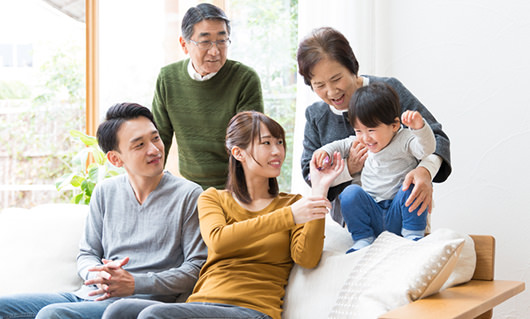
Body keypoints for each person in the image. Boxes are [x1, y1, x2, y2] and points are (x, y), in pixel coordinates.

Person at [101, 111, 344, 319]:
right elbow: (219, 240)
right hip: (199, 306)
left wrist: (319, 189)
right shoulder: (213, 198)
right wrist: (288, 216)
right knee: (118, 311)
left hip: (252, 311)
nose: (277, 151)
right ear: (238, 153)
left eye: (280, 142)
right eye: (266, 143)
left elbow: (307, 258)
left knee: (153, 316)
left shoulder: (294, 204)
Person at [0, 103, 207, 319]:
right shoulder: (105, 192)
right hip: (88, 297)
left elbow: (195, 268)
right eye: (139, 145)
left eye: (155, 138)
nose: (154, 149)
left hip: (138, 304)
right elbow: (87, 253)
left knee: (53, 314)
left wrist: (135, 283)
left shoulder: (188, 194)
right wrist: (97, 274)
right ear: (115, 159)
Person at [297, 27, 451, 225]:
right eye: (319, 85)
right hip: (353, 227)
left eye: (336, 79)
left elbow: (437, 136)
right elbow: (310, 173)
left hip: (405, 216)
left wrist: (425, 171)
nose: (331, 91)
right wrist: (348, 168)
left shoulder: (388, 91)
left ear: (353, 68)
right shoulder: (316, 115)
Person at [152, 3, 264, 190]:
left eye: (222, 41)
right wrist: (151, 188)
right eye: (205, 42)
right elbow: (158, 139)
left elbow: (250, 144)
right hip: (189, 187)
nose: (215, 51)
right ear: (184, 44)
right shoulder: (167, 78)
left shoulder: (245, 79)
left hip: (235, 187)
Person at [314, 82, 436, 252]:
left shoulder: (405, 139)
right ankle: (363, 238)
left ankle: (412, 234)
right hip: (372, 212)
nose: (365, 138)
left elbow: (427, 149)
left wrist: (420, 128)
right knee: (350, 193)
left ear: (394, 125)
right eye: (358, 131)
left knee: (414, 184)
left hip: (399, 211)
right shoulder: (361, 142)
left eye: (371, 130)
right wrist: (324, 152)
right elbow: (339, 145)